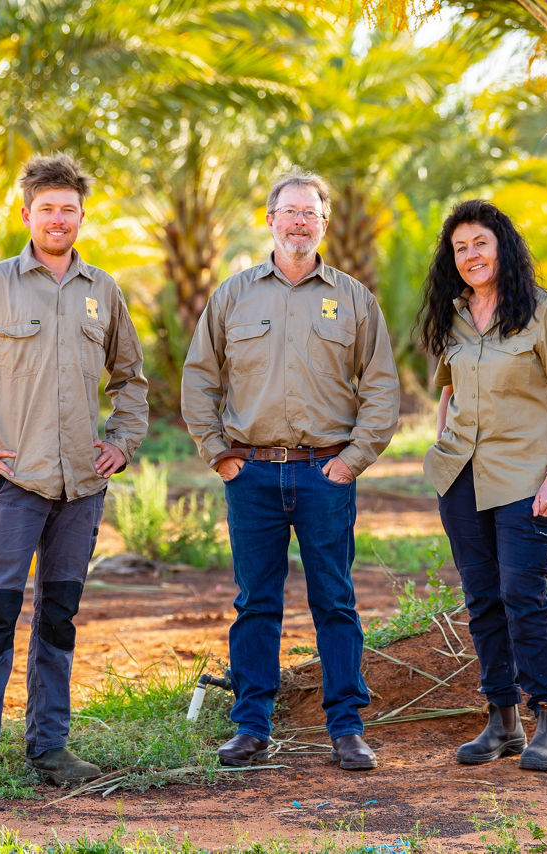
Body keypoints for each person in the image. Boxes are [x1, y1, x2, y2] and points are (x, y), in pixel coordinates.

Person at [0, 153, 148, 794]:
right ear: (26, 215)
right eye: (46, 208)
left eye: (68, 209)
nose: (58, 219)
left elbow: (131, 378)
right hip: (14, 487)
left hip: (81, 487)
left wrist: (123, 442)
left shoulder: (103, 291)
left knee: (59, 618)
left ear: (81, 217)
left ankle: (49, 751)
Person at [181, 169, 399, 771]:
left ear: (324, 225)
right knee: (256, 603)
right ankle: (251, 726)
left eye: (311, 213)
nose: (300, 222)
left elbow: (381, 388)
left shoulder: (354, 299)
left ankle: (346, 728)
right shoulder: (234, 294)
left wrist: (352, 461)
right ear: (270, 219)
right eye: (290, 211)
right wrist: (217, 453)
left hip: (324, 475)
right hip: (250, 476)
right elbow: (199, 376)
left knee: (335, 600)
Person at [419, 200, 547, 772]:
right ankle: (501, 719)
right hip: (461, 477)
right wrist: (440, 448)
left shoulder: (539, 311)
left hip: (524, 479)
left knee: (522, 595)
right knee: (483, 599)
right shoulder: (454, 317)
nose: (470, 256)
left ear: (502, 247)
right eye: (460, 248)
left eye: (480, 243)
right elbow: (446, 390)